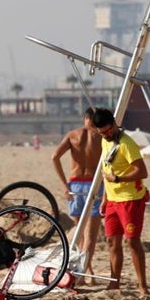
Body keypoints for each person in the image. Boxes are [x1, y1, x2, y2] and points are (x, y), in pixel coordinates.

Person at [92, 107, 150, 296]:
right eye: (101, 133)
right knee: (112, 242)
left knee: (132, 242)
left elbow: (142, 172)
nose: (105, 135)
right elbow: (106, 170)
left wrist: (118, 179)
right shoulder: (104, 141)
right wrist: (104, 199)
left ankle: (142, 286)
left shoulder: (127, 144)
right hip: (112, 201)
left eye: (107, 131)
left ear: (114, 124)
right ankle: (114, 283)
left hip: (130, 200)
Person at [51, 107, 103, 281]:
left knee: (80, 233)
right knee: (90, 236)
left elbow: (54, 156)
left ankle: (86, 270)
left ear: (85, 118)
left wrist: (64, 184)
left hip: (75, 185)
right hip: (94, 185)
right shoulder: (101, 135)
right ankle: (84, 272)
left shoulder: (73, 134)